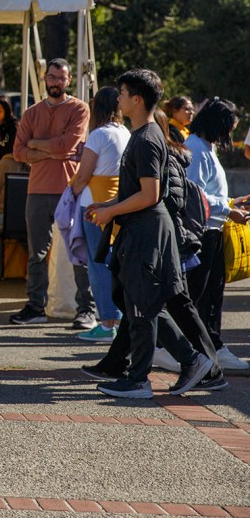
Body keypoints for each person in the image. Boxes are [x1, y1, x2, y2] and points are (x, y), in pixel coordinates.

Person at [83, 69, 213, 399]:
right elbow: (137, 191)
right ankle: (189, 360)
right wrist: (107, 203)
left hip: (147, 232)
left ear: (137, 99)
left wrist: (111, 211)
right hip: (144, 230)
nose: (119, 99)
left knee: (142, 306)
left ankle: (141, 379)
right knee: (144, 305)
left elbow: (150, 194)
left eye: (123, 93)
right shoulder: (143, 134)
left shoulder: (145, 138)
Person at [9, 58, 94, 329]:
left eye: (61, 78)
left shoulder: (79, 108)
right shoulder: (31, 112)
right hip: (37, 190)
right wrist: (51, 149)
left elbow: (66, 146)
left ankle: (87, 309)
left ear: (69, 81)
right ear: (45, 78)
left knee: (77, 250)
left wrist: (36, 145)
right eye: (52, 77)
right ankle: (36, 306)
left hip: (70, 189)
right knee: (37, 252)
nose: (56, 82)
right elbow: (18, 152)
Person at [183, 97, 250, 373]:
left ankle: (210, 344)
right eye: (229, 130)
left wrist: (232, 203)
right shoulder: (196, 149)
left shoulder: (205, 147)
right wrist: (228, 208)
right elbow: (195, 193)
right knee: (201, 293)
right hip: (203, 231)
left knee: (212, 292)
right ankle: (204, 347)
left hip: (213, 227)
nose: (230, 137)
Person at [68, 87, 129, 342]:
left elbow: (83, 175)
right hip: (120, 203)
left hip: (94, 205)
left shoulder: (98, 135)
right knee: (116, 263)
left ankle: (106, 322)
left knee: (98, 264)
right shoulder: (125, 133)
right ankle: (118, 318)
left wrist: (72, 190)